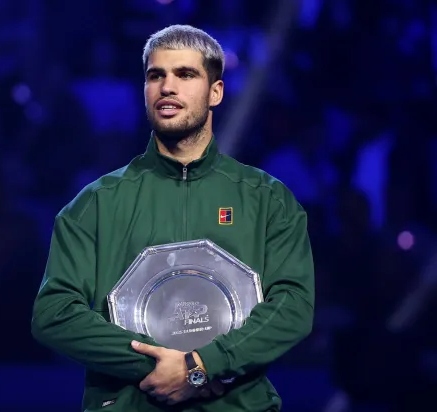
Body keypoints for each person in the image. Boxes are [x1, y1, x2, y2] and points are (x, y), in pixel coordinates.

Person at [31, 24, 315, 412]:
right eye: (155, 75)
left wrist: (202, 367)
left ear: (215, 92)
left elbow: (294, 306)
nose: (167, 86)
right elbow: (54, 314)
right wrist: (171, 369)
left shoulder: (267, 199)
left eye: (185, 74)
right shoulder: (95, 204)